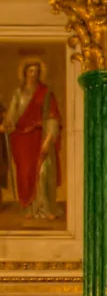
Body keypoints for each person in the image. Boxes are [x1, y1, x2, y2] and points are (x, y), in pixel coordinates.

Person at [1, 59, 62, 221]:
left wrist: (49, 138)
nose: (34, 74)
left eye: (36, 71)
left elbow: (53, 117)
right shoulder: (18, 93)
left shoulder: (46, 93)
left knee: (43, 172)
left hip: (41, 137)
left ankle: (46, 208)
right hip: (23, 139)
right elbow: (12, 114)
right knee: (26, 174)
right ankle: (29, 207)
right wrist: (6, 124)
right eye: (31, 71)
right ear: (25, 73)